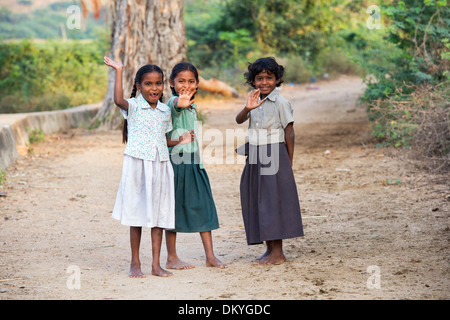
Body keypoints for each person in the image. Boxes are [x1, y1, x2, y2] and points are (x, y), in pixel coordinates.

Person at [104, 57, 192, 277]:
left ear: (163, 85)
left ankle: (155, 264)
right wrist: (119, 70)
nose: (154, 88)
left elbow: (162, 139)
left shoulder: (164, 111)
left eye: (158, 83)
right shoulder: (133, 106)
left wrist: (179, 140)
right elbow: (117, 100)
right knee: (137, 214)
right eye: (148, 83)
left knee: (159, 216)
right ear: (138, 86)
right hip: (138, 166)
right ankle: (135, 262)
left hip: (161, 165)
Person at [235, 57, 304, 265]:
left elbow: (289, 132)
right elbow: (239, 120)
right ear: (253, 80)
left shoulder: (281, 103)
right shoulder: (254, 100)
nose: (264, 82)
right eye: (259, 78)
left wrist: (288, 162)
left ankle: (278, 253)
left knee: (273, 202)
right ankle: (269, 249)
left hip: (275, 154)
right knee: (259, 200)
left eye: (269, 78)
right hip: (255, 153)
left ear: (277, 79)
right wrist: (248, 107)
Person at [165, 62, 227, 269]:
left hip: (193, 163)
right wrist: (180, 101)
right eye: (181, 81)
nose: (186, 85)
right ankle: (172, 257)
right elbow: (176, 105)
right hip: (175, 164)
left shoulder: (192, 107)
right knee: (171, 210)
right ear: (172, 84)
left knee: (204, 205)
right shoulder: (172, 103)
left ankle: (210, 256)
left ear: (197, 84)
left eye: (191, 81)